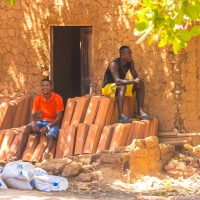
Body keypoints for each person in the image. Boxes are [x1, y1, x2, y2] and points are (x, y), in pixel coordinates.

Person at [10, 78, 64, 161]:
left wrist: (48, 127)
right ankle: (18, 155)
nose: (45, 87)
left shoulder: (58, 98)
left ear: (51, 87)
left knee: (50, 136)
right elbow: (33, 115)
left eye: (47, 85)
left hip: (53, 122)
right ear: (40, 87)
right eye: (43, 85)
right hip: (42, 121)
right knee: (25, 129)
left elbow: (59, 117)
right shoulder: (38, 99)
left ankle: (45, 154)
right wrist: (33, 124)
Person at [102, 45, 150, 123]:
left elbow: (135, 76)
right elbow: (117, 81)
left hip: (120, 86)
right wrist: (133, 81)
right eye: (128, 54)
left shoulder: (130, 62)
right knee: (122, 87)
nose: (130, 56)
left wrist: (138, 80)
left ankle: (140, 112)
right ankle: (121, 115)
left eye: (131, 53)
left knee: (140, 85)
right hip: (108, 87)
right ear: (122, 55)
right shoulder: (114, 64)